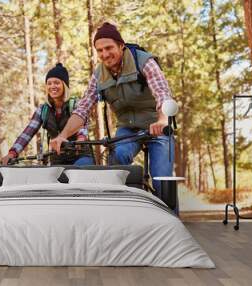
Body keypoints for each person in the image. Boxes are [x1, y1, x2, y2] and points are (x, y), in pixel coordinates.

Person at [50, 22, 175, 202]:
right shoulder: (98, 75)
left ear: (121, 45)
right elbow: (83, 109)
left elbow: (162, 93)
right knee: (118, 159)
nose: (105, 54)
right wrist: (63, 135)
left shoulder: (144, 61)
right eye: (99, 50)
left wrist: (163, 120)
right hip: (128, 128)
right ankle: (122, 208)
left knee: (162, 179)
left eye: (109, 48)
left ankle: (170, 220)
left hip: (157, 125)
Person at [1, 63, 94, 166]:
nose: (52, 86)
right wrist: (12, 153)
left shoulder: (76, 104)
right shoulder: (43, 110)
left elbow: (82, 124)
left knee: (80, 170)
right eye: (49, 83)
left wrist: (81, 139)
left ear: (64, 85)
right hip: (57, 159)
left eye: (56, 83)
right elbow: (27, 133)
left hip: (80, 155)